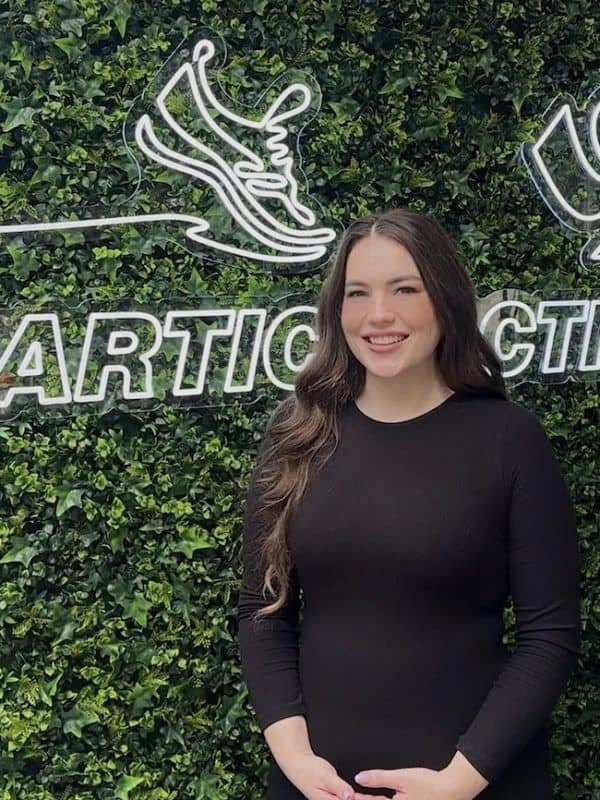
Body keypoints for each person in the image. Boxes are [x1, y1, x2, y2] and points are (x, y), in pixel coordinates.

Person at [236, 208, 581, 800]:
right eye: (358, 293)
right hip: (319, 788)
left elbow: (549, 636)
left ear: (445, 299)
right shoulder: (298, 436)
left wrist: (458, 783)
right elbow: (262, 612)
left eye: (405, 289)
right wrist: (295, 760)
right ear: (336, 309)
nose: (378, 314)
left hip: (475, 785)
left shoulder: (509, 440)